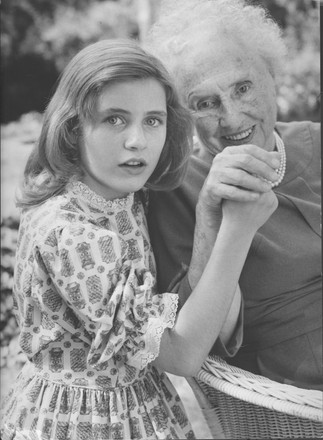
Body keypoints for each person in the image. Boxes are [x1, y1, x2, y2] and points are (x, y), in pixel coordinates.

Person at [0, 39, 278, 440]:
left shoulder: (121, 195)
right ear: (74, 126)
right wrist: (238, 229)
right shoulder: (74, 235)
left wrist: (210, 208)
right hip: (85, 421)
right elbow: (181, 355)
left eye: (153, 120)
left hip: (138, 402)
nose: (137, 141)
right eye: (115, 119)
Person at [146, 0, 322, 390]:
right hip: (291, 394)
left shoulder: (316, 140)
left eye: (243, 88)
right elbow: (195, 338)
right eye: (205, 104)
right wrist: (211, 214)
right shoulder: (174, 190)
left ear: (272, 75)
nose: (232, 117)